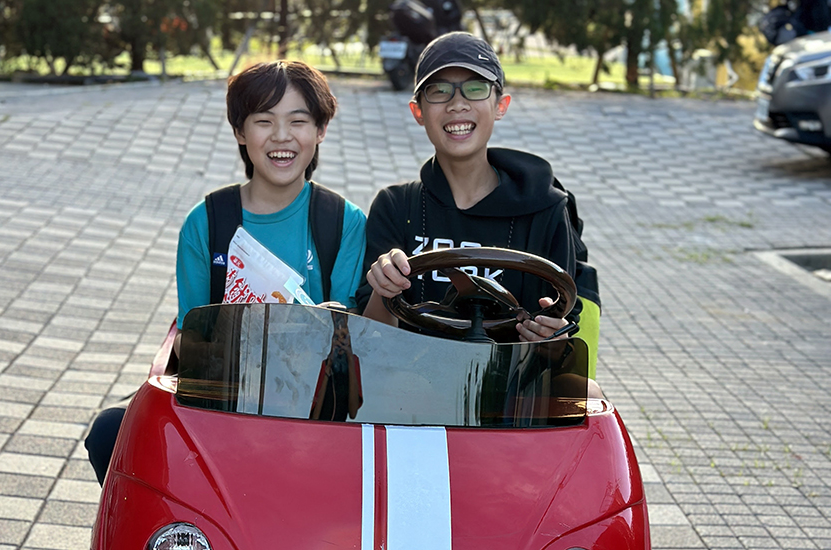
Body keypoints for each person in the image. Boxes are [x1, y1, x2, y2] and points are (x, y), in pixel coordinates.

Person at [85, 60, 367, 485]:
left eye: (298, 121)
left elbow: (347, 332)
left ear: (320, 130)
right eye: (264, 121)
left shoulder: (343, 222)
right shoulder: (207, 221)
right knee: (109, 432)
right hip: (223, 400)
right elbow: (189, 334)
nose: (281, 136)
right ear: (240, 132)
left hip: (312, 410)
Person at [356, 32, 600, 364]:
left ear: (501, 105)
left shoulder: (546, 208)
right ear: (418, 111)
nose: (457, 104)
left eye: (475, 88)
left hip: (514, 385)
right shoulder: (395, 206)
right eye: (439, 90)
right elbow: (370, 344)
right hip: (408, 380)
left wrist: (551, 336)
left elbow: (560, 341)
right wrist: (383, 288)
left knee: (591, 392)